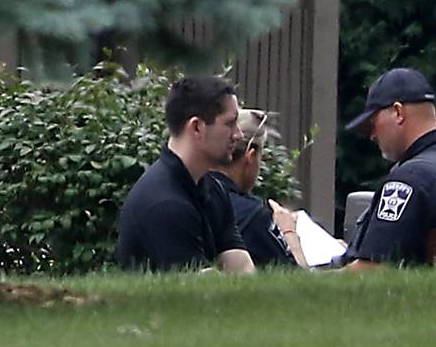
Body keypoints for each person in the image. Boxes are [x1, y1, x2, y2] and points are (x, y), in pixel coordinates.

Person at [341, 67, 436, 269]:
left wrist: (305, 268)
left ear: (397, 112)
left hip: (422, 300)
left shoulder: (411, 178)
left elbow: (371, 271)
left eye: (373, 123)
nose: (372, 135)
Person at [116, 76, 256, 273]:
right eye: (230, 123)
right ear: (197, 127)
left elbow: (242, 268)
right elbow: (202, 295)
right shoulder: (164, 205)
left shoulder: (213, 190)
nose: (239, 134)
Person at [206, 109, 305, 268]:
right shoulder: (253, 216)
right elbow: (298, 283)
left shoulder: (188, 194)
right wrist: (288, 233)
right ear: (250, 157)